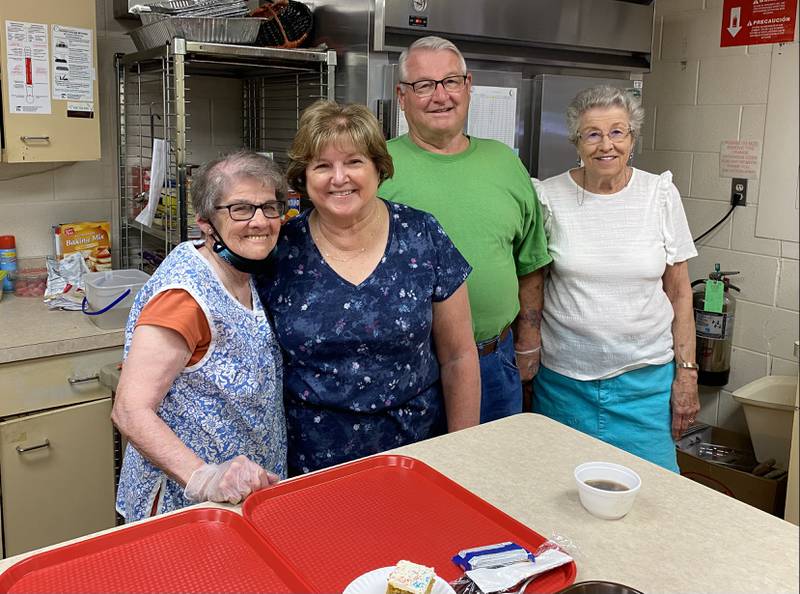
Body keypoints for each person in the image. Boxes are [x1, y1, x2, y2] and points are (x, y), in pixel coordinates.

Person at [257, 100, 480, 476]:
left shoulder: (421, 235)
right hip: (310, 463)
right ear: (303, 177)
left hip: (417, 452)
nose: (339, 177)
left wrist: (462, 452)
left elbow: (459, 356)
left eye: (354, 162)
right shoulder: (280, 249)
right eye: (322, 165)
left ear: (378, 167)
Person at [379, 36, 552, 423]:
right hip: (405, 370)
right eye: (424, 85)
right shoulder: (377, 167)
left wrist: (528, 341)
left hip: (493, 363)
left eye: (451, 82)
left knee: (485, 479)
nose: (440, 96)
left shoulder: (505, 162)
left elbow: (530, 263)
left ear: (468, 86)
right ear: (402, 96)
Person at [531, 85, 700, 472]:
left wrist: (686, 375)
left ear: (632, 138)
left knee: (652, 495)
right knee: (555, 495)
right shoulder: (548, 196)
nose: (605, 144)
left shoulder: (659, 194)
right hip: (564, 385)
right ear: (577, 141)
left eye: (617, 132)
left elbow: (679, 293)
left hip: (645, 386)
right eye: (593, 133)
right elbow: (534, 286)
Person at [113, 151, 287, 522]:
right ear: (206, 223)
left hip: (243, 495)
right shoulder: (184, 299)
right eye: (240, 209)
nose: (260, 221)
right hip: (186, 504)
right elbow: (130, 410)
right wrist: (204, 477)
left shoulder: (242, 269)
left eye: (270, 207)